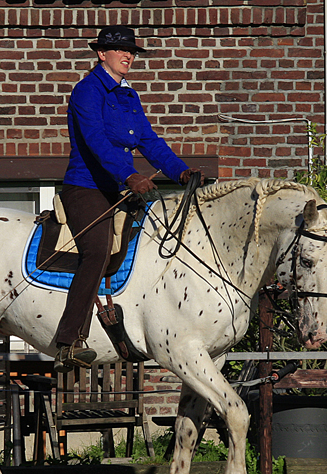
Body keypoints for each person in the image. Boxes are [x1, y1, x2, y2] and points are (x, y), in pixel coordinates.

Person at [53, 24, 204, 373]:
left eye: (132, 52)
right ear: (101, 54)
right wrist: (130, 175)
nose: (128, 56)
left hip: (122, 187)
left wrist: (178, 171)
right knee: (97, 250)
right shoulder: (86, 92)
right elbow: (95, 143)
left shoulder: (128, 96)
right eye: (121, 50)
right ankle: (68, 341)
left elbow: (149, 141)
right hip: (87, 188)